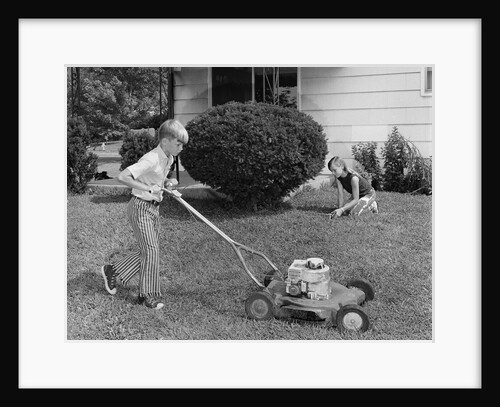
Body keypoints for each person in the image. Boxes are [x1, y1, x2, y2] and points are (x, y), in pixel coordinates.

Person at [100, 119, 189, 309]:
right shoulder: (151, 158)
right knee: (151, 251)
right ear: (165, 142)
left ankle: (112, 270)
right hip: (140, 207)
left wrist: (168, 184)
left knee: (147, 251)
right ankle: (146, 295)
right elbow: (123, 176)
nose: (181, 148)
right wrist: (147, 189)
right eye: (178, 144)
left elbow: (159, 180)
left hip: (153, 209)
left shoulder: (169, 158)